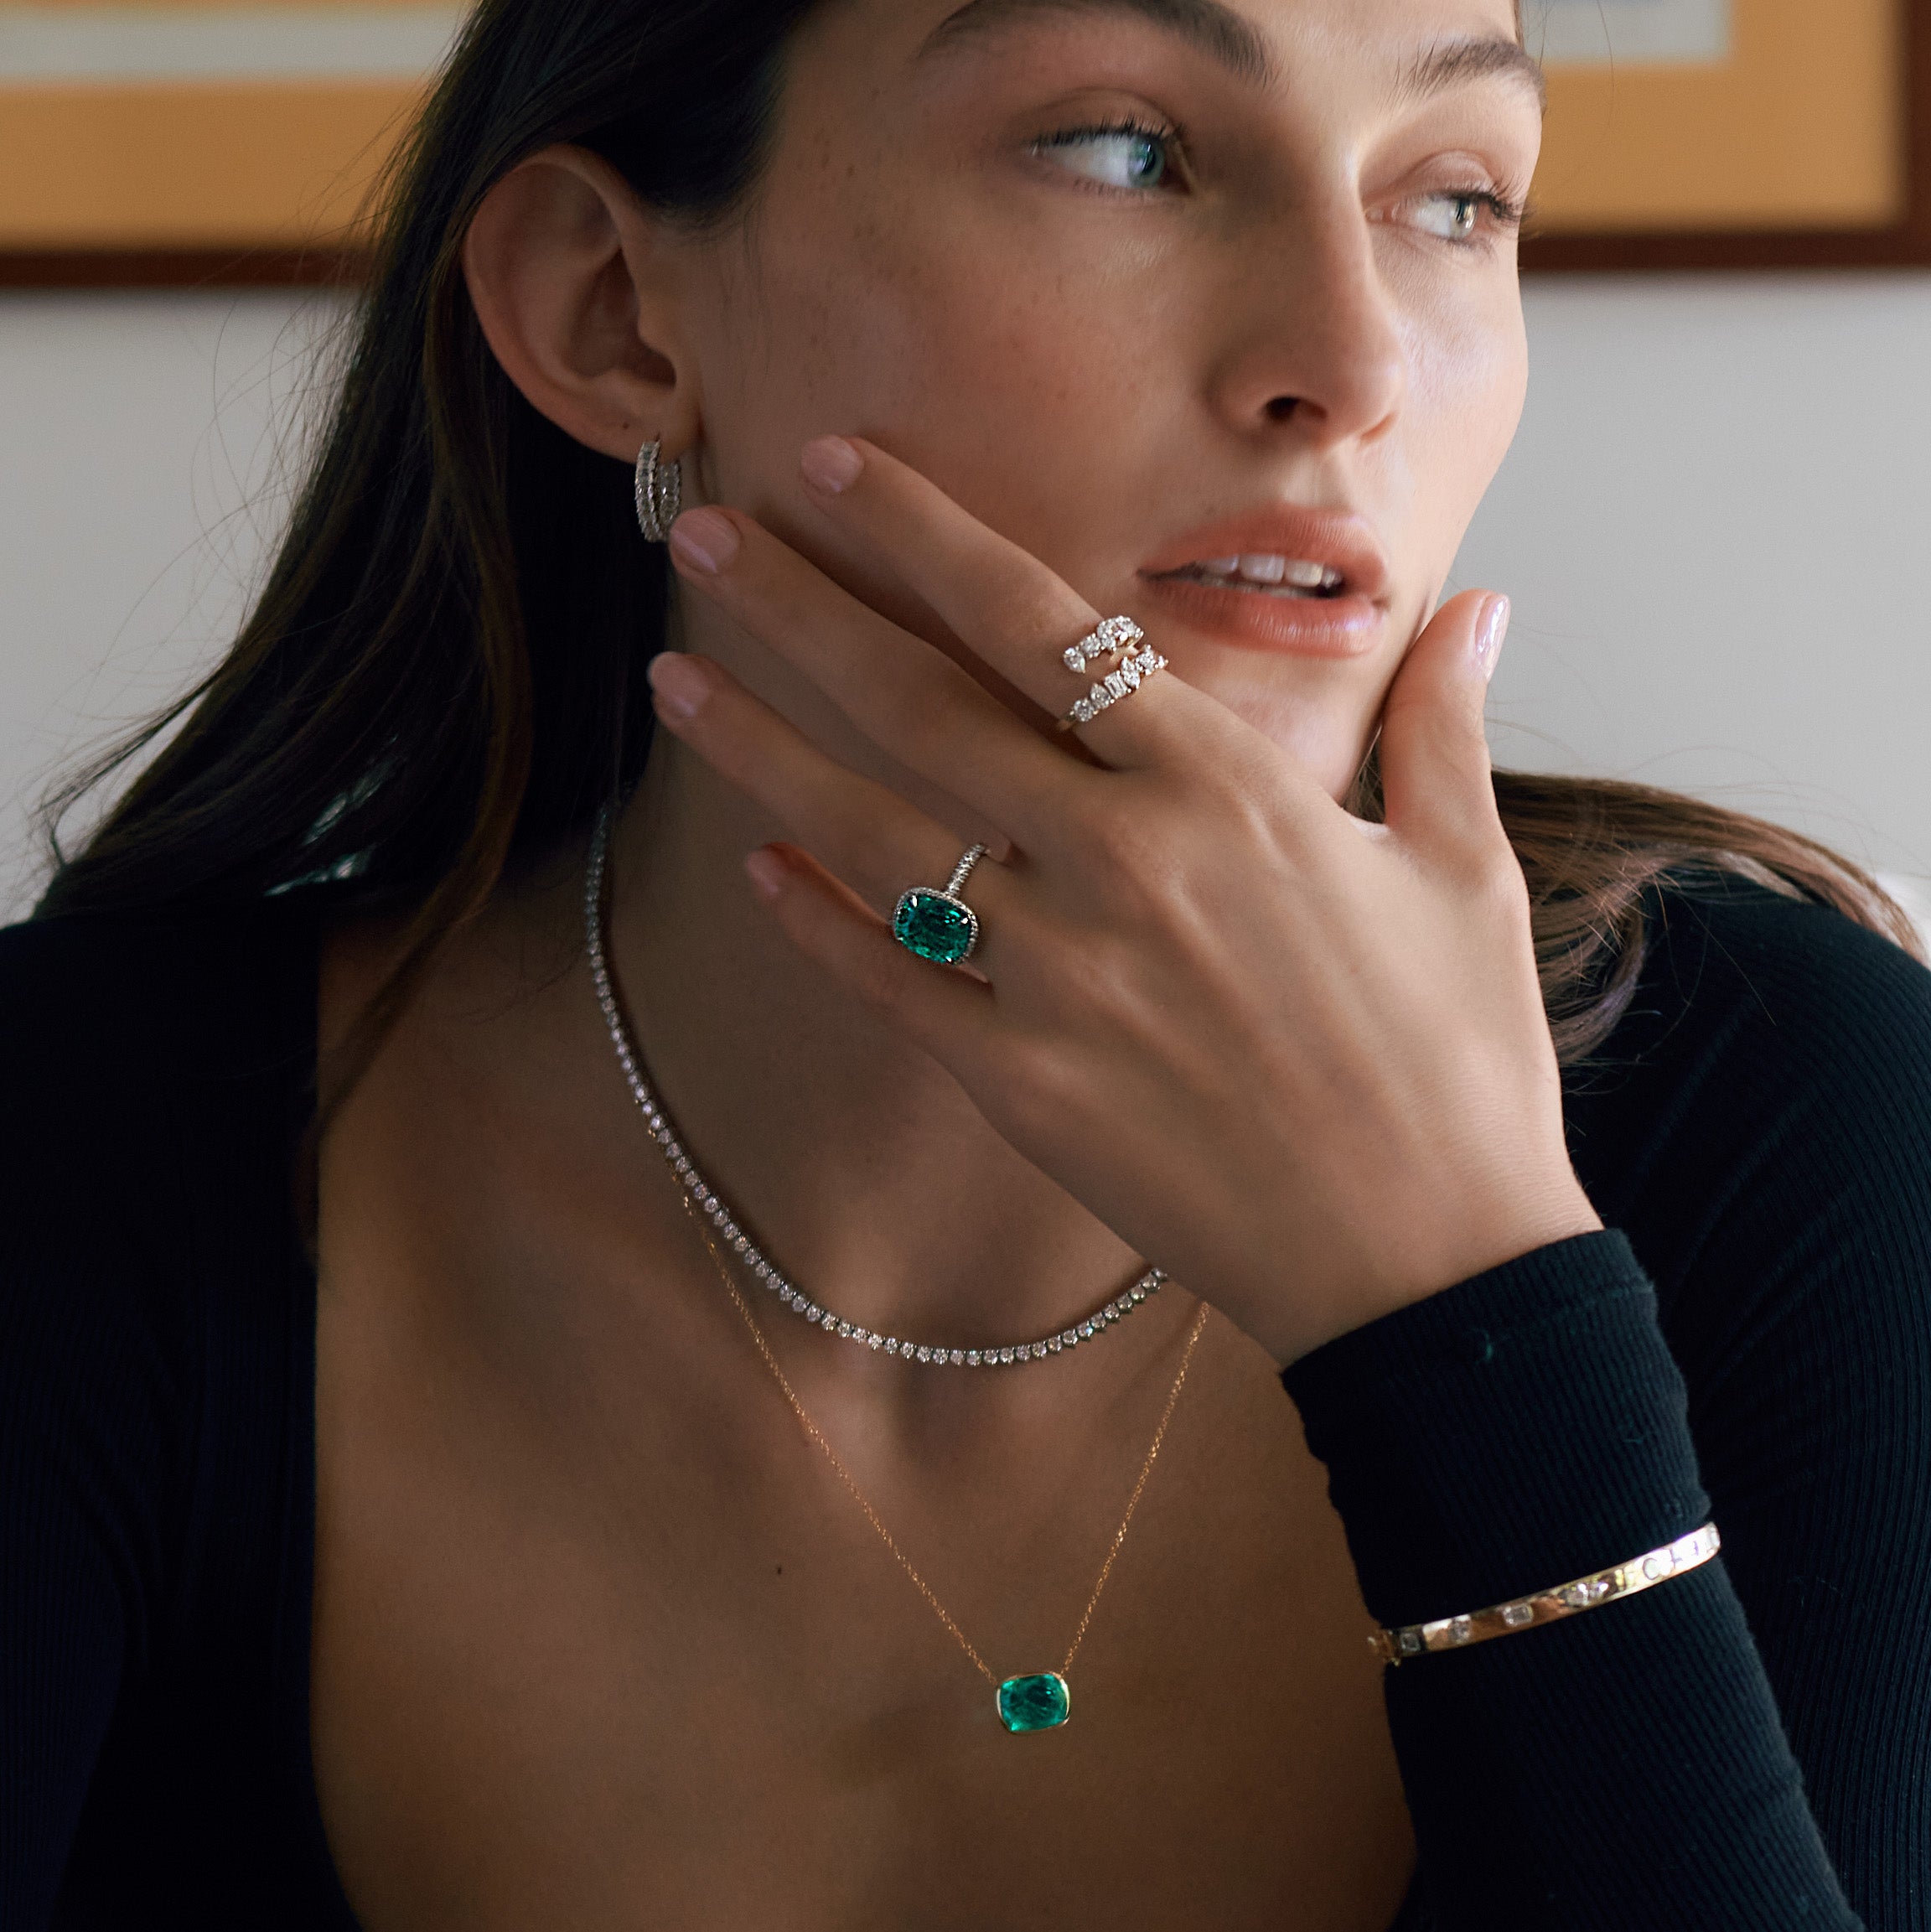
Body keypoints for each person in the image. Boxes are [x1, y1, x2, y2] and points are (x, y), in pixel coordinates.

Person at [4, 0, 1928, 1924]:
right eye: (1121, 147)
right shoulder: (78, 1153)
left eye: (1453, 198)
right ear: (614, 311)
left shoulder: (1811, 1125)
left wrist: (1468, 1311)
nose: (1352, 368)